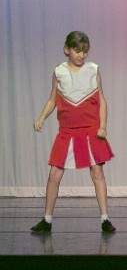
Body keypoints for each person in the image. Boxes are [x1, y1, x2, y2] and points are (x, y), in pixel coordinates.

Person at [31, 31, 116, 233]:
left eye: (85, 51)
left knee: (97, 172)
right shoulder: (59, 72)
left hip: (90, 130)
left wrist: (103, 125)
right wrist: (41, 118)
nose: (81, 55)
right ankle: (47, 220)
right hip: (67, 131)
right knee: (54, 174)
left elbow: (102, 100)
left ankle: (105, 219)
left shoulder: (93, 70)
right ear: (67, 50)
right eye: (77, 51)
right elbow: (53, 99)